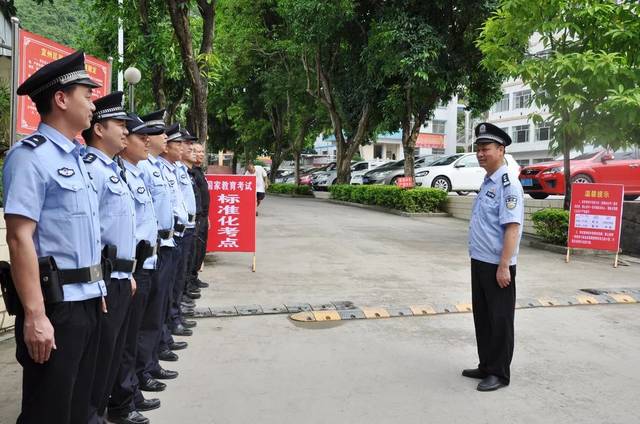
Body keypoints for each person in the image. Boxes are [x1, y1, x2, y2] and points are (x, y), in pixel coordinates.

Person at [2, 50, 104, 423]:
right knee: (49, 409)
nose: (93, 103)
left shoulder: (77, 158)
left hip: (88, 301)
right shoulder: (30, 157)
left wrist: (99, 291)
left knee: (78, 404)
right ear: (61, 99)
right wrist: (35, 315)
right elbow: (19, 239)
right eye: (87, 95)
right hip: (55, 308)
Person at [81, 91, 138, 423]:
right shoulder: (91, 168)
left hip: (118, 278)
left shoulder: (112, 169)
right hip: (101, 281)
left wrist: (127, 272)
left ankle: (100, 413)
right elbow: (89, 232)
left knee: (112, 356)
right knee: (98, 359)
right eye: (120, 124)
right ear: (99, 129)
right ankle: (92, 416)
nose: (126, 132)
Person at [107, 114, 164, 424]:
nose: (143, 140)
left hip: (142, 263)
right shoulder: (115, 172)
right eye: (136, 135)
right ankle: (122, 398)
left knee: (135, 332)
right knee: (123, 340)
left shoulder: (135, 173)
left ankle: (129, 392)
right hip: (124, 268)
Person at [463, 122, 524, 392]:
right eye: (478, 149)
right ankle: (486, 364)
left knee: (500, 319)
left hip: (497, 265)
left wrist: (504, 266)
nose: (480, 153)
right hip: (480, 261)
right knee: (484, 317)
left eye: (486, 148)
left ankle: (499, 373)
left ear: (501, 150)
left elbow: (512, 227)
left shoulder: (509, 185)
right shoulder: (488, 181)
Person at [135, 111, 182, 396]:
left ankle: (149, 364)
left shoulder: (158, 168)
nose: (166, 137)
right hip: (146, 254)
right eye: (160, 133)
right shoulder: (141, 168)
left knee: (156, 312)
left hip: (164, 245)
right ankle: (140, 372)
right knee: (145, 319)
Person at [186, 142, 210, 290]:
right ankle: (189, 280)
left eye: (202, 152)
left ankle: (194, 277)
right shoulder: (190, 172)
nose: (199, 154)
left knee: (200, 248)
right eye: (196, 151)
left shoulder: (198, 171)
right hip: (196, 217)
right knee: (193, 250)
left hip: (203, 216)